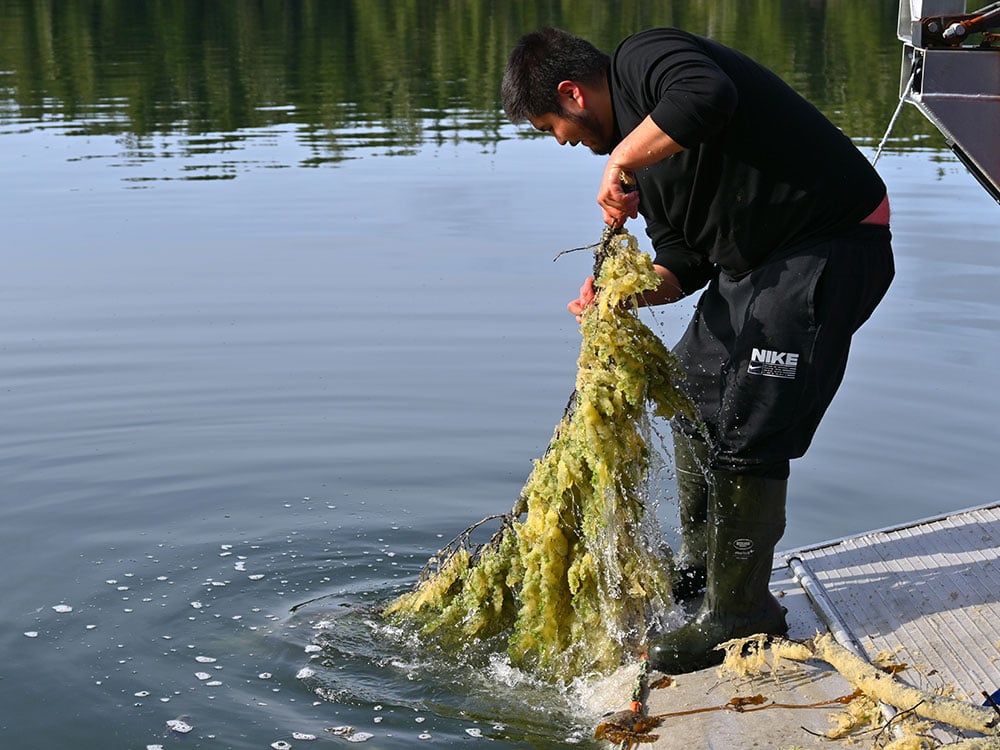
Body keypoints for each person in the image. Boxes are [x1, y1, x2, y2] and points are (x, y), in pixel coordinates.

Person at [501, 28, 894, 674]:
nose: (562, 142)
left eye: (552, 126)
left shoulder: (644, 60)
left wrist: (623, 156)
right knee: (687, 387)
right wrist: (624, 293)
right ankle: (704, 566)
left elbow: (711, 93)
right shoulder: (646, 165)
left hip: (832, 240)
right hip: (755, 267)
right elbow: (685, 261)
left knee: (750, 418)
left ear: (572, 93)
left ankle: (741, 614)